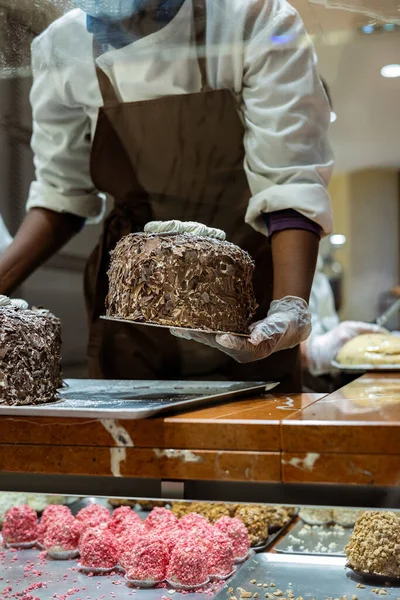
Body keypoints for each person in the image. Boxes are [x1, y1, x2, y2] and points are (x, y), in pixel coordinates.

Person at [0, 0, 334, 390]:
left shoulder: (252, 19)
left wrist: (288, 306)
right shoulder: (62, 45)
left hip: (243, 299)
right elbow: (61, 196)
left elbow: (289, 180)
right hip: (134, 309)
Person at [301, 255, 384, 390]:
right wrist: (313, 351)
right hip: (293, 383)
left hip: (326, 378)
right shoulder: (266, 263)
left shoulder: (319, 278)